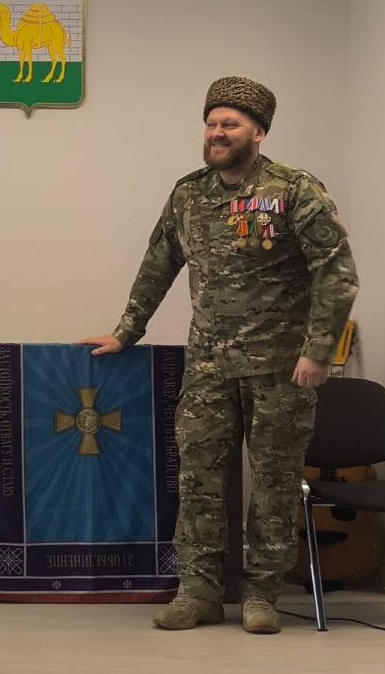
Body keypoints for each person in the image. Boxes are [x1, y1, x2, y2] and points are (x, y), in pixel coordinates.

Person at [80, 76, 358, 634]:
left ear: (259, 132)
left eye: (230, 124)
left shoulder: (294, 189)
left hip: (281, 368)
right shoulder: (189, 194)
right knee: (199, 480)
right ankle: (199, 592)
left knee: (275, 481)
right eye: (211, 123)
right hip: (208, 366)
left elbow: (337, 272)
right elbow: (158, 263)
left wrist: (319, 351)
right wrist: (127, 331)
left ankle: (262, 597)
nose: (217, 133)